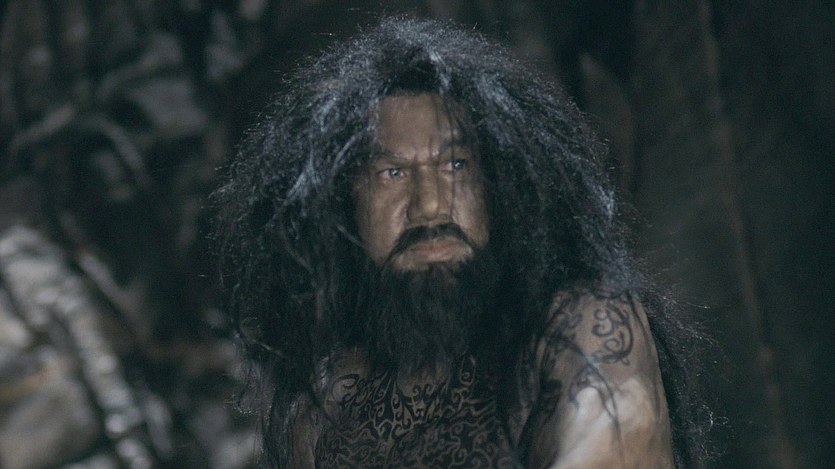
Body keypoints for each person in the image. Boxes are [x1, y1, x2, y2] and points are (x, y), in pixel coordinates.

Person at [212, 17, 712, 468]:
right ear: (345, 203)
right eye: (391, 173)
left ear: (501, 183)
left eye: (455, 166)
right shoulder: (328, 403)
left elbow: (608, 450)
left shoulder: (581, 326)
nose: (430, 205)